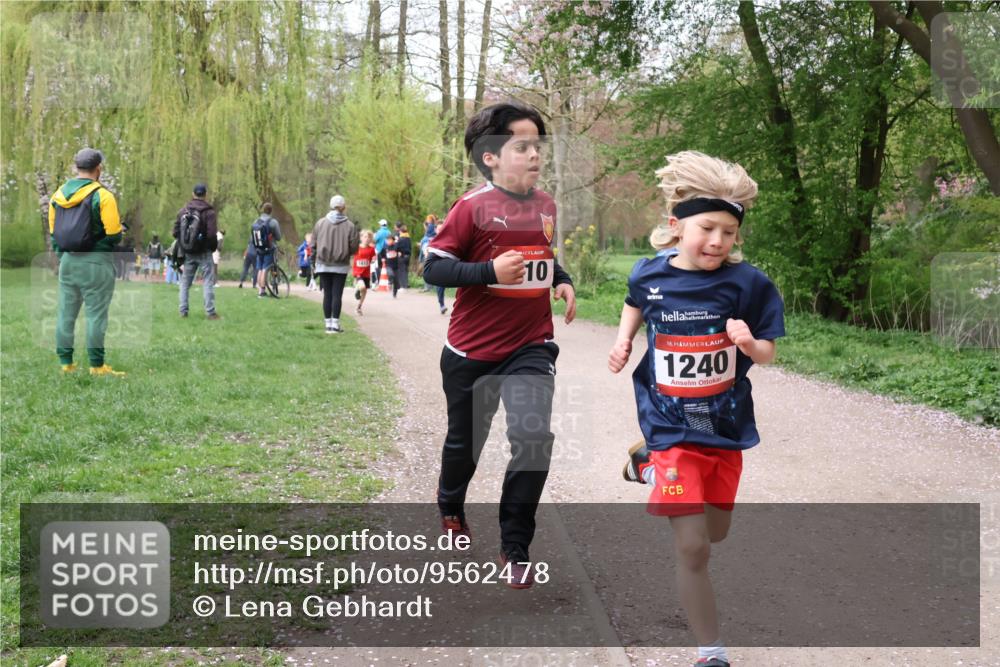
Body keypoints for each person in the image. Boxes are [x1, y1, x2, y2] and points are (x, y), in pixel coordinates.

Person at [608, 151, 785, 667]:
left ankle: (643, 466)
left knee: (715, 533)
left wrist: (749, 343)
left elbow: (769, 353)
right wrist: (623, 341)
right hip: (670, 429)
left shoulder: (748, 284)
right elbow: (635, 301)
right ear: (676, 225)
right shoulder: (651, 275)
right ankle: (712, 653)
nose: (718, 241)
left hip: (725, 430)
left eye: (729, 232)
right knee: (693, 548)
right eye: (708, 228)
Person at [423, 101, 576, 588]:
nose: (534, 155)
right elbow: (434, 267)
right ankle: (451, 504)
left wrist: (562, 278)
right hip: (472, 351)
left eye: (538, 146)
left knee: (533, 442)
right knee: (466, 443)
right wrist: (488, 271)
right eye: (522, 146)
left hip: (531, 345)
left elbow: (543, 256)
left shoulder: (547, 205)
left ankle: (515, 547)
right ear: (490, 155)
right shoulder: (471, 208)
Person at [49, 147, 126, 376]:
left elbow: (55, 235)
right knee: (96, 315)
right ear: (98, 169)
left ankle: (66, 364)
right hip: (96, 264)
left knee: (66, 314)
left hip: (68, 264)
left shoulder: (57, 196)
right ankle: (96, 365)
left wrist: (64, 257)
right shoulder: (103, 195)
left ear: (76, 168)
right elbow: (114, 234)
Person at [310, 195, 359, 333]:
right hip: (341, 264)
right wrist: (347, 252)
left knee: (327, 294)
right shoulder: (350, 226)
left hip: (323, 263)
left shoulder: (320, 223)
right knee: (337, 294)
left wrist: (313, 262)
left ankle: (327, 324)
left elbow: (312, 244)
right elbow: (354, 247)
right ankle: (335, 325)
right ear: (343, 207)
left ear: (331, 206)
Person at [173, 182, 220, 319]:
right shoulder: (209, 212)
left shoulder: (183, 211)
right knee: (207, 281)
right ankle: (210, 312)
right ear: (205, 195)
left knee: (185, 283)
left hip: (188, 252)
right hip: (204, 252)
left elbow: (175, 231)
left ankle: (183, 311)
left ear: (193, 194)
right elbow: (212, 234)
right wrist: (211, 247)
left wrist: (185, 243)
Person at [251, 202, 282, 297]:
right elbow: (278, 237)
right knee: (265, 269)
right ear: (271, 211)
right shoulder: (273, 222)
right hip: (269, 248)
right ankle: (263, 291)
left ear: (263, 210)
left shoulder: (256, 221)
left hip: (258, 249)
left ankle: (260, 290)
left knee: (259, 269)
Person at [352, 229, 377, 315]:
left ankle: (359, 307)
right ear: (361, 238)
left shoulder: (371, 249)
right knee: (362, 287)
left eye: (369, 237)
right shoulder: (356, 248)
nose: (367, 239)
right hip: (358, 272)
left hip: (366, 273)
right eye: (365, 237)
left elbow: (373, 258)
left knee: (365, 291)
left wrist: (374, 260)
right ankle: (357, 289)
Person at [395, 223, 412, 290]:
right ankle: (406, 284)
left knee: (401, 271)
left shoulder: (400, 239)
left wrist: (396, 241)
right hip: (408, 256)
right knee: (406, 270)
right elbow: (410, 247)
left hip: (402, 256)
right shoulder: (408, 238)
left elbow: (396, 248)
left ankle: (402, 286)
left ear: (401, 231)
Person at [373, 218, 391, 284]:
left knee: (379, 266)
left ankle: (379, 279)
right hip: (387, 250)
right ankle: (388, 280)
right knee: (387, 265)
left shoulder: (379, 232)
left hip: (379, 250)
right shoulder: (389, 232)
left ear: (381, 225)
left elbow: (374, 240)